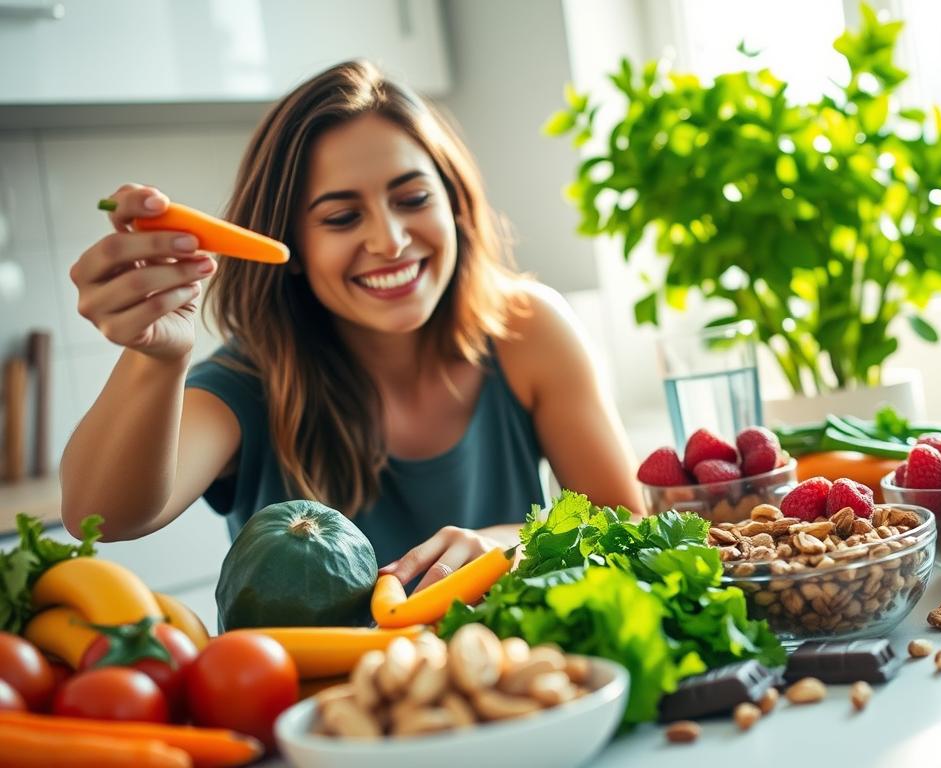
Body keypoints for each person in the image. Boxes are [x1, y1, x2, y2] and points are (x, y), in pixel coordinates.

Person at [60, 59, 641, 593]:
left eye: (412, 198)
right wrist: (156, 357)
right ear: (293, 244)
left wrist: (509, 543)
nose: (389, 240)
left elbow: (627, 524)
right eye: (341, 217)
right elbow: (101, 517)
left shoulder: (526, 329)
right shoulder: (248, 381)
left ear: (454, 204)